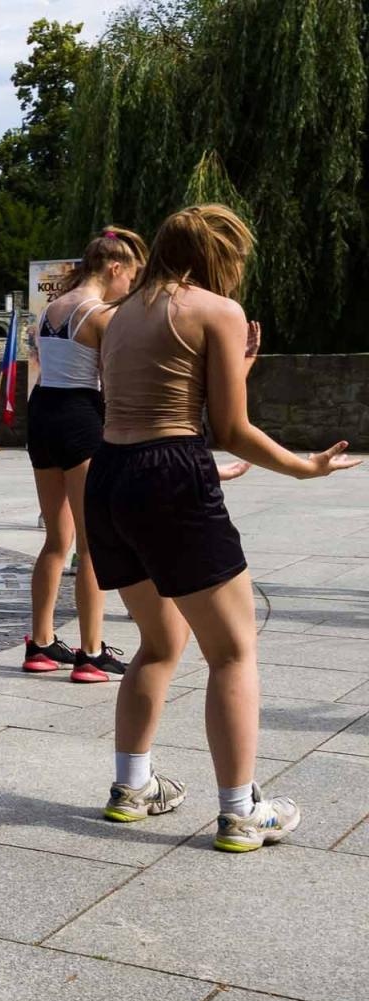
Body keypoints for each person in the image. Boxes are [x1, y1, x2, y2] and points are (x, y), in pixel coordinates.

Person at [87, 204, 358, 852]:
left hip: (111, 478)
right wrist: (303, 468)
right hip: (169, 476)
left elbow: (159, 395)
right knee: (234, 650)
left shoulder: (118, 317)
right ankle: (241, 813)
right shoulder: (217, 311)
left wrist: (231, 373)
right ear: (219, 255)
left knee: (158, 643)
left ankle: (132, 787)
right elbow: (230, 429)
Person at [22, 227, 148, 683]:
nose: (129, 288)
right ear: (114, 269)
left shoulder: (52, 308)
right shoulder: (99, 315)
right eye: (130, 279)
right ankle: (91, 652)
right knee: (92, 545)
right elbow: (118, 380)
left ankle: (39, 643)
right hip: (79, 415)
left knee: (57, 539)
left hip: (43, 414)